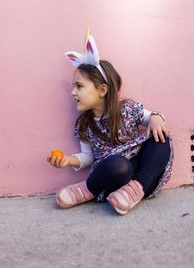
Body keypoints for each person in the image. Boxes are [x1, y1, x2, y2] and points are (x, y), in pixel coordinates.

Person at [47, 29, 174, 215]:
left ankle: (134, 191)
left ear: (102, 90)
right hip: (113, 174)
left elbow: (151, 117)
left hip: (141, 175)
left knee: (161, 138)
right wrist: (68, 160)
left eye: (79, 86)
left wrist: (156, 118)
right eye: (73, 87)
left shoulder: (128, 109)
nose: (73, 92)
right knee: (117, 164)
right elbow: (88, 157)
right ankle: (87, 189)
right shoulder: (85, 125)